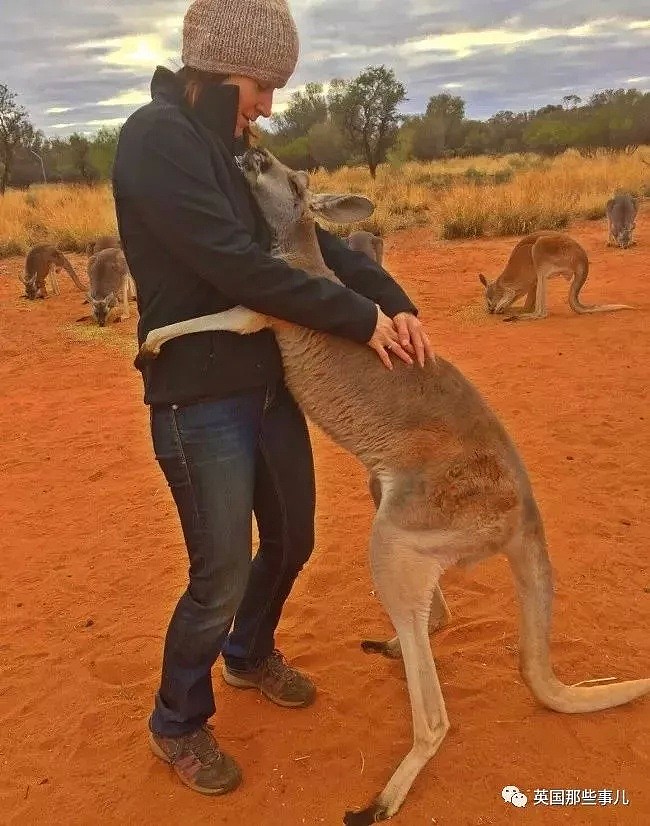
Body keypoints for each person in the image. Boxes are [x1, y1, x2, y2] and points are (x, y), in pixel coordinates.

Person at [112, 0, 434, 797]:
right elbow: (235, 266)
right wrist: (360, 322)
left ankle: (249, 654)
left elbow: (309, 246)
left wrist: (395, 300)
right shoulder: (158, 142)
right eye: (262, 85)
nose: (268, 104)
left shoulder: (233, 147)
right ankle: (177, 722)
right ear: (224, 69)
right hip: (197, 396)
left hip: (265, 383)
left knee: (292, 539)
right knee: (217, 572)